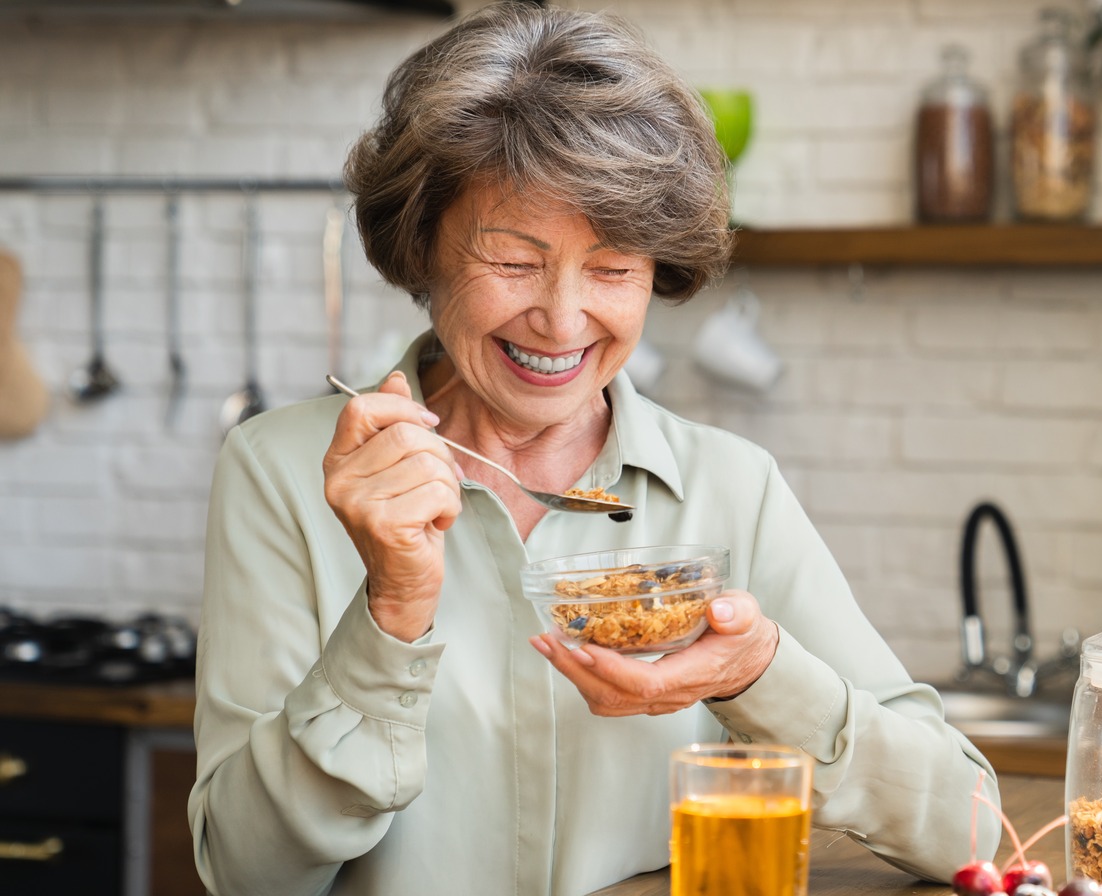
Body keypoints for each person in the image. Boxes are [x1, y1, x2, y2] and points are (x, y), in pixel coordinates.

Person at [188, 5, 1000, 895]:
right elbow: (245, 875)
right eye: (512, 260)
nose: (564, 320)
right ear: (423, 250)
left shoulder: (730, 487)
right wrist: (390, 612)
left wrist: (759, 674)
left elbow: (967, 825)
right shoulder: (281, 474)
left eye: (612, 269)